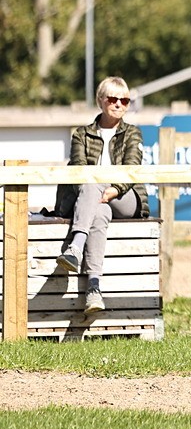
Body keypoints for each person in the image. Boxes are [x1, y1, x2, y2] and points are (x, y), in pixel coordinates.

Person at [54, 76, 149, 313]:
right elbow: (78, 169)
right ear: (100, 100)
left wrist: (115, 189)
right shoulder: (81, 134)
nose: (118, 104)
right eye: (113, 98)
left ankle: (75, 246)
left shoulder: (133, 133)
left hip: (124, 197)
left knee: (93, 182)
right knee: (99, 210)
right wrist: (100, 190)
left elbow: (131, 169)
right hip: (93, 198)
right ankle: (94, 288)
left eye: (124, 100)